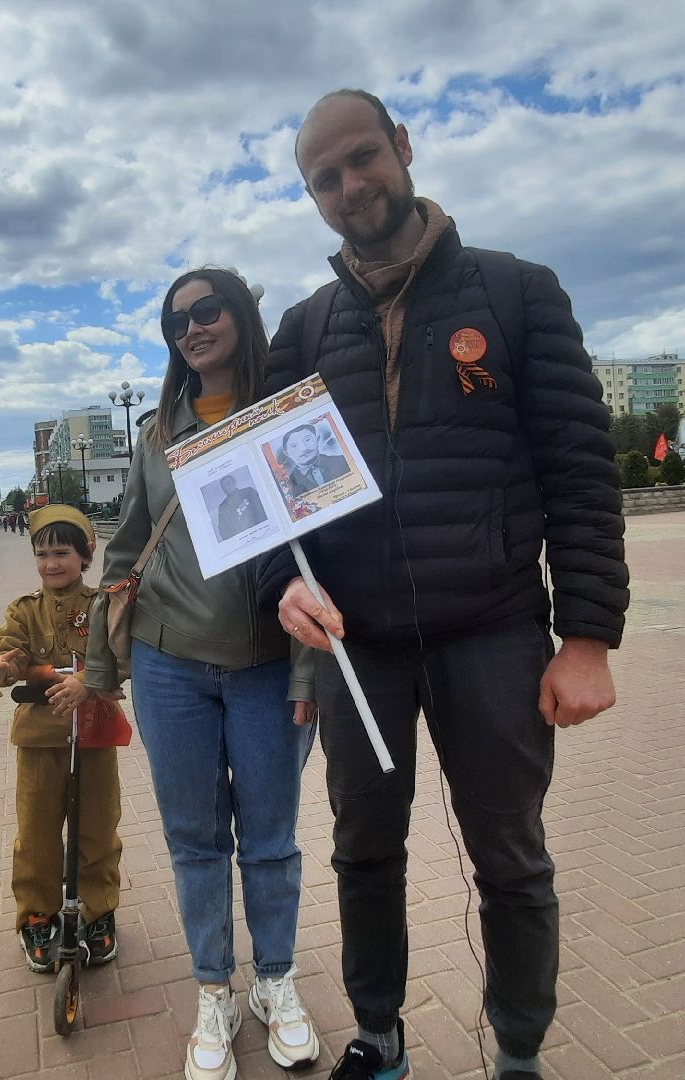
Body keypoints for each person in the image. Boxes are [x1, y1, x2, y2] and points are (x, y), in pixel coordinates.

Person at [266, 90, 627, 1080]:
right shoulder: (302, 331)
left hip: (495, 630)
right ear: (313, 197)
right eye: (324, 179)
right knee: (363, 853)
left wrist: (588, 635)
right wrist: (278, 592)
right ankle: (378, 1034)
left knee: (511, 860)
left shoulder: (516, 294)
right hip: (360, 643)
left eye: (362, 158)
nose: (351, 186)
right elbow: (268, 504)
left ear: (404, 147)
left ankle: (518, 1052)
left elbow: (579, 468)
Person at [82, 266, 321, 1079]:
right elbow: (125, 550)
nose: (191, 327)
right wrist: (98, 665)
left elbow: (317, 561)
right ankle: (214, 989)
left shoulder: (290, 415)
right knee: (194, 842)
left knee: (270, 842)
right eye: (174, 320)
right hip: (167, 669)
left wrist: (304, 679)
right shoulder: (156, 433)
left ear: (241, 314)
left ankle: (275, 983)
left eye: (207, 309)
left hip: (264, 666)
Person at [0, 505, 122, 974]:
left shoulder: (104, 603)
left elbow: (122, 655)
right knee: (37, 833)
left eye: (61, 553)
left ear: (87, 554)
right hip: (40, 739)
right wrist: (1, 666)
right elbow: (10, 648)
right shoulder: (24, 609)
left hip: (95, 735)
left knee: (97, 828)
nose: (50, 564)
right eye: (41, 554)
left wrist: (90, 679)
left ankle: (98, 912)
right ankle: (37, 917)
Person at [280, 423, 351, 494]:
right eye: (294, 446)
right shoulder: (289, 485)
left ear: (317, 439)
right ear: (287, 453)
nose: (304, 448)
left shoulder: (343, 461)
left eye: (307, 440)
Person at [214, 472, 269, 538]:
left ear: (234, 482)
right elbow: (223, 529)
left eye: (228, 484)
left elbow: (261, 510)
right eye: (223, 487)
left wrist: (261, 529)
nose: (226, 488)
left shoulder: (249, 492)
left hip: (260, 532)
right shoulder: (222, 507)